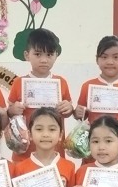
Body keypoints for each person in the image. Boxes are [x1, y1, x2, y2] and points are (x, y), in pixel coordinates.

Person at [6, 28, 74, 157]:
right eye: (38, 54)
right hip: (25, 150)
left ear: (56, 55)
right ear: (27, 55)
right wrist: (12, 110)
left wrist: (69, 108)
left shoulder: (61, 82)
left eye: (49, 54)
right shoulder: (19, 82)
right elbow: (9, 112)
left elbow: (68, 112)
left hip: (54, 150)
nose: (44, 60)